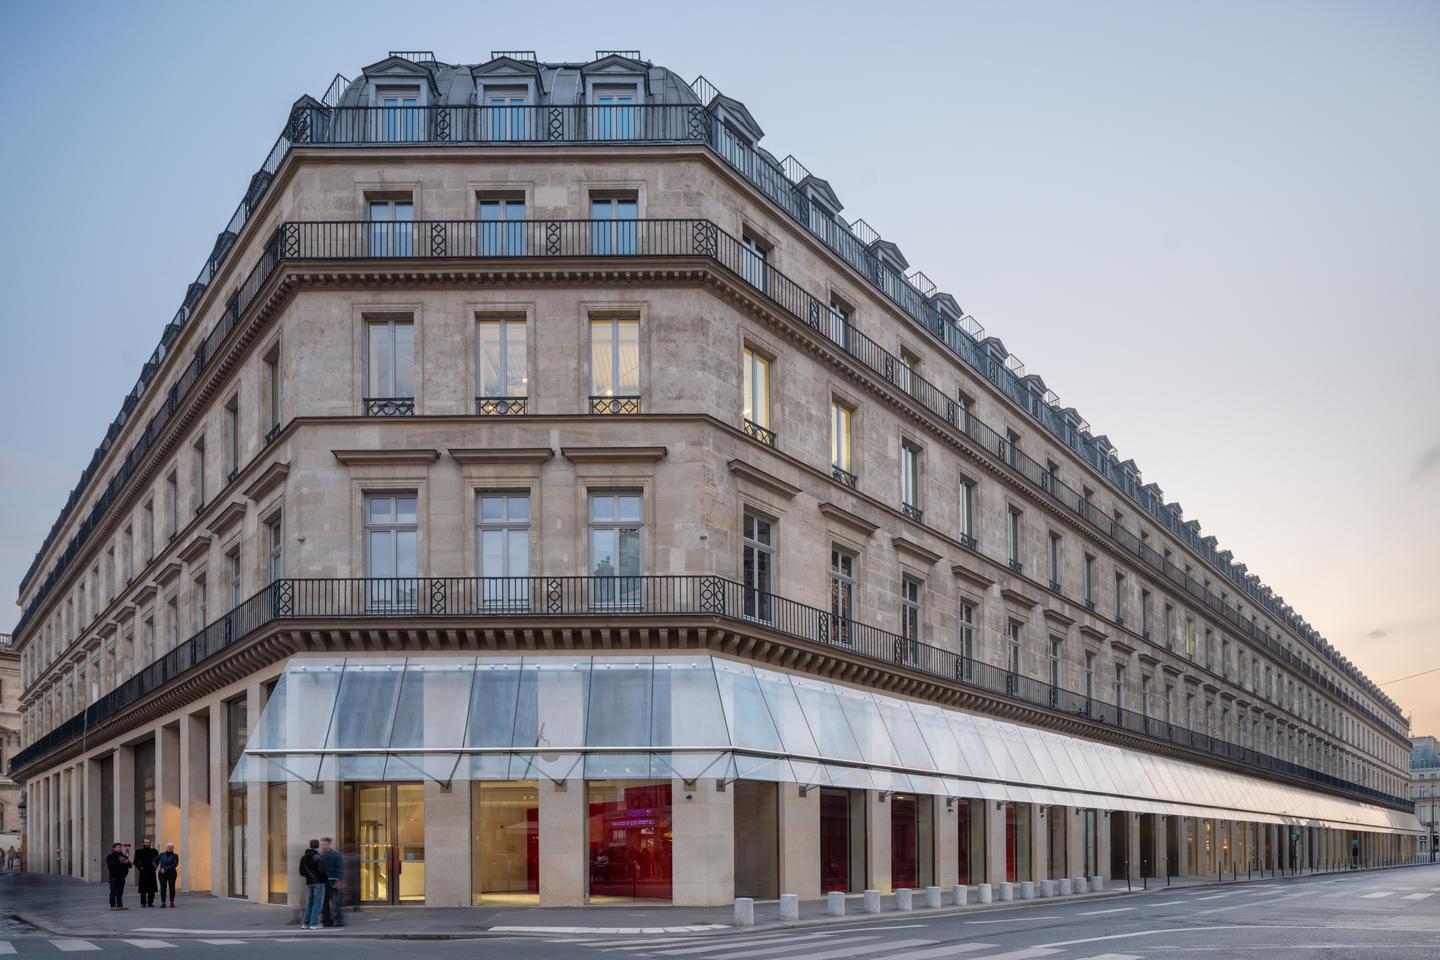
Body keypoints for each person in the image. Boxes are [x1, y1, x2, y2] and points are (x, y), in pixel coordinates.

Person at [299, 839, 326, 930]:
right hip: (318, 883)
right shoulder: (318, 857)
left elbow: (301, 872)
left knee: (310, 903)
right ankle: (313, 924)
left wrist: (309, 877)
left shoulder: (304, 857)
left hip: (309, 883)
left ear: (310, 845)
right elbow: (322, 872)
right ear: (317, 846)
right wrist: (324, 879)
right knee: (317, 903)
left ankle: (305, 923)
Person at [318, 837, 344, 928]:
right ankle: (327, 920)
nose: (323, 846)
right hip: (323, 881)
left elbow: (340, 868)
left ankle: (339, 920)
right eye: (322, 844)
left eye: (325, 844)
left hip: (333, 880)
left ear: (329, 845)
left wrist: (339, 880)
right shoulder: (320, 855)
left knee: (336, 901)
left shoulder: (336, 855)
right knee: (325, 902)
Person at [134, 837, 159, 907]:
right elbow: (135, 862)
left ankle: (150, 902)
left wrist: (155, 866)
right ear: (143, 843)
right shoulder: (138, 851)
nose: (147, 844)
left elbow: (157, 860)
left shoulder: (154, 851)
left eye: (148, 842)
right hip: (143, 872)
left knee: (152, 889)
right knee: (143, 889)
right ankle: (143, 903)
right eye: (146, 842)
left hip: (151, 871)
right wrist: (140, 867)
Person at [105, 843, 131, 910]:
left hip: (122, 876)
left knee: (120, 891)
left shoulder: (123, 856)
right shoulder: (110, 856)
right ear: (113, 848)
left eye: (120, 847)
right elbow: (110, 866)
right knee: (113, 891)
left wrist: (128, 862)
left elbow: (130, 866)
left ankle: (120, 904)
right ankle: (112, 905)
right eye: (118, 847)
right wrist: (119, 861)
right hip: (114, 876)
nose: (119, 848)